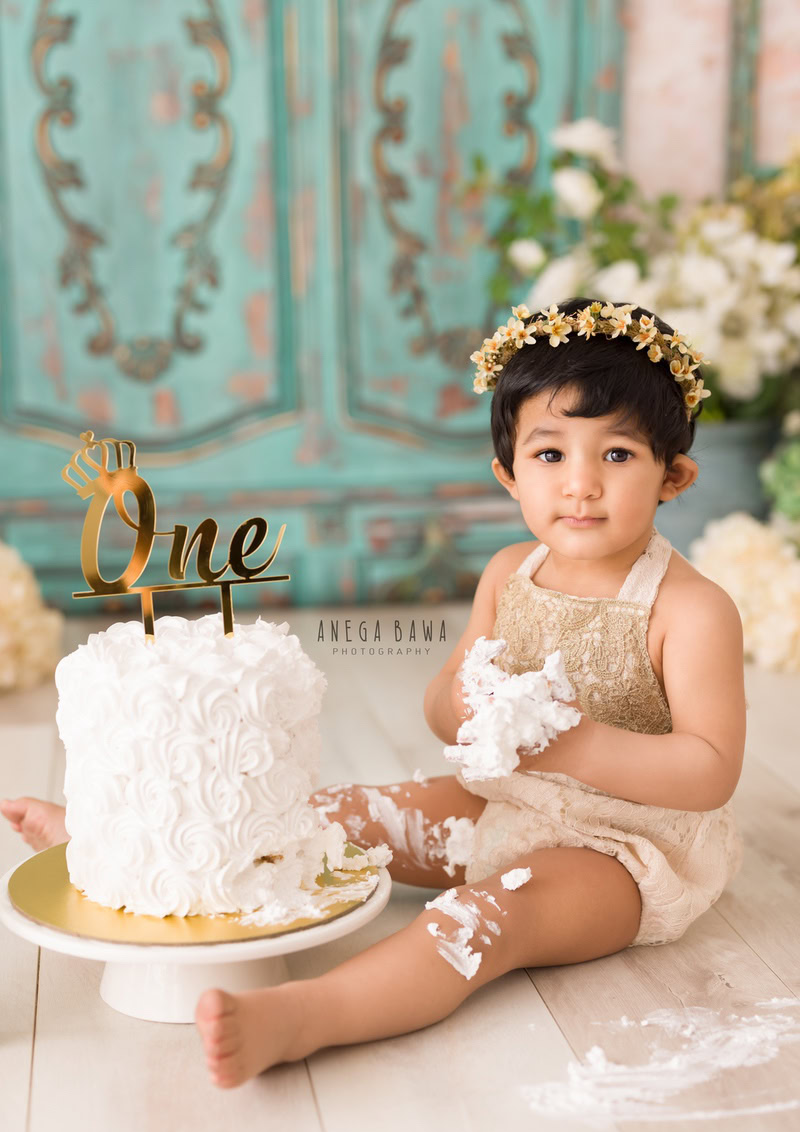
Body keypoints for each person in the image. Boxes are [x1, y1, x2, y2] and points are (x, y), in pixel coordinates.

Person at [1, 298, 746, 1091]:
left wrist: (577, 743)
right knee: (333, 815)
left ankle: (305, 1015)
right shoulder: (508, 574)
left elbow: (709, 768)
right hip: (507, 800)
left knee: (484, 919)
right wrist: (464, 704)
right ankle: (123, 843)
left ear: (676, 474)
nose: (583, 484)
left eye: (620, 455)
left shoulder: (689, 608)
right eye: (551, 454)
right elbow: (442, 701)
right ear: (508, 472)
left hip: (621, 851)